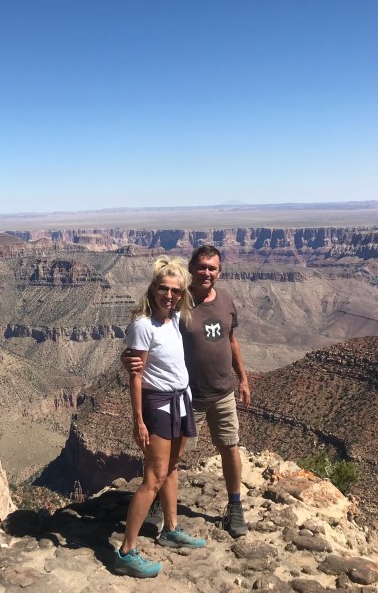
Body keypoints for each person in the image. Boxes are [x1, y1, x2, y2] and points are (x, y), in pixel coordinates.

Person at [125, 245, 251, 538]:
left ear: (220, 272)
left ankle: (235, 506)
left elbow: (232, 341)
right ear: (192, 269)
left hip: (223, 391)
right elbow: (149, 334)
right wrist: (127, 358)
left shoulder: (226, 300)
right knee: (172, 458)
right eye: (202, 267)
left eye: (212, 268)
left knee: (229, 447)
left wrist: (243, 379)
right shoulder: (179, 302)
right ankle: (159, 504)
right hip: (186, 397)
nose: (206, 273)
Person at [113, 256, 207, 579]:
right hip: (159, 405)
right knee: (153, 478)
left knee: (172, 468)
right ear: (153, 289)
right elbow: (136, 375)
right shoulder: (143, 325)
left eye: (176, 291)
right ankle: (126, 552)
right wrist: (138, 420)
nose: (169, 295)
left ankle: (170, 528)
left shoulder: (173, 319)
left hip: (181, 399)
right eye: (164, 289)